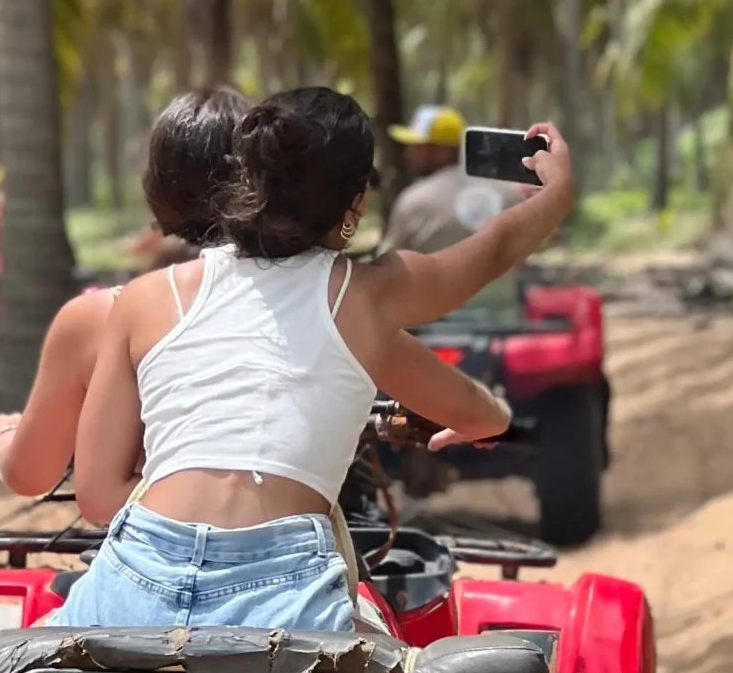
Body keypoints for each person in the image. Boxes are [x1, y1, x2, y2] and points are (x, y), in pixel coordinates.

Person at [58, 88, 575, 634]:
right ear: (355, 203)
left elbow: (96, 496)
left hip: (135, 572)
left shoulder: (146, 297)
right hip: (283, 589)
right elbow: (492, 251)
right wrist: (558, 192)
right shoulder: (363, 299)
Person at [0, 88, 247, 498]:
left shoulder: (99, 316)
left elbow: (33, 474)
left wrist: (0, 439)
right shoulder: (318, 297)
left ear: (155, 189)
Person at [381, 104, 526, 255]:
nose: (408, 154)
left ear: (442, 151)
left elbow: (389, 264)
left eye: (417, 147)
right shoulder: (510, 192)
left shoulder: (414, 201)